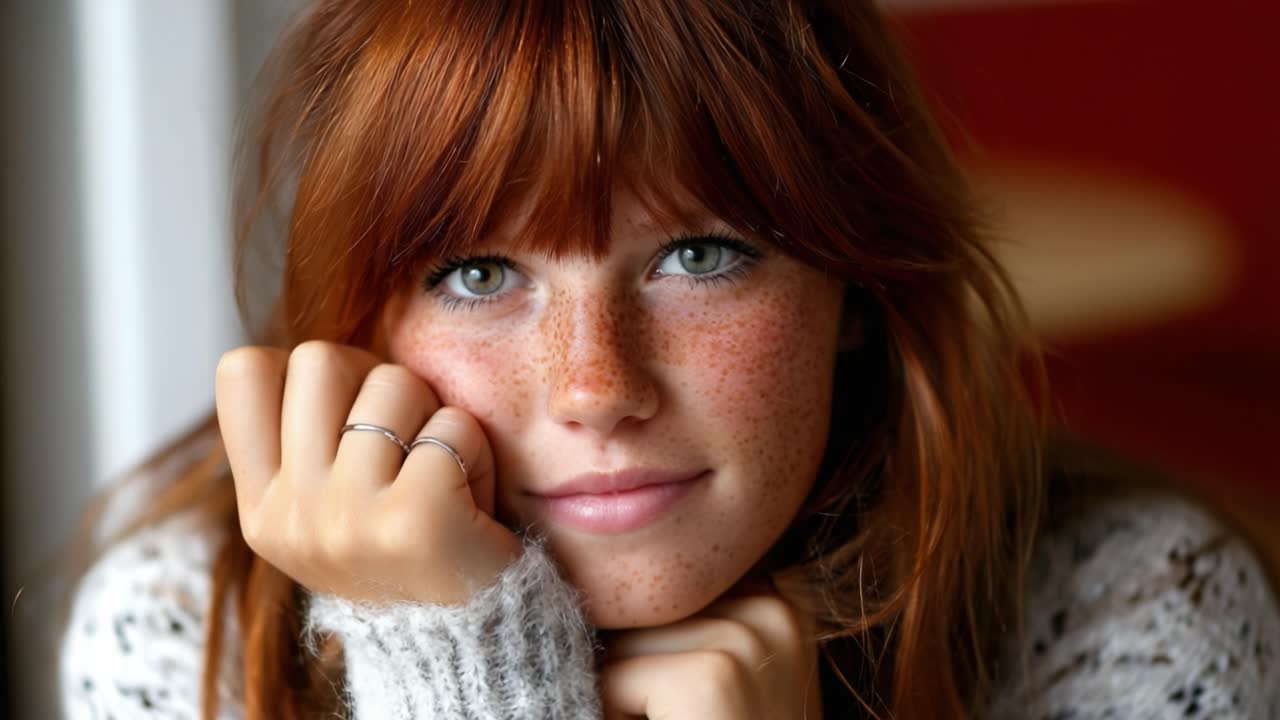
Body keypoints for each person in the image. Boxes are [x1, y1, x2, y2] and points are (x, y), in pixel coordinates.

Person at [56, 0, 1280, 718]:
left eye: (699, 255)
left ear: (852, 281)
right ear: (364, 330)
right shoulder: (186, 637)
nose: (595, 387)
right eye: (479, 275)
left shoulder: (1130, 612)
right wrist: (458, 664)